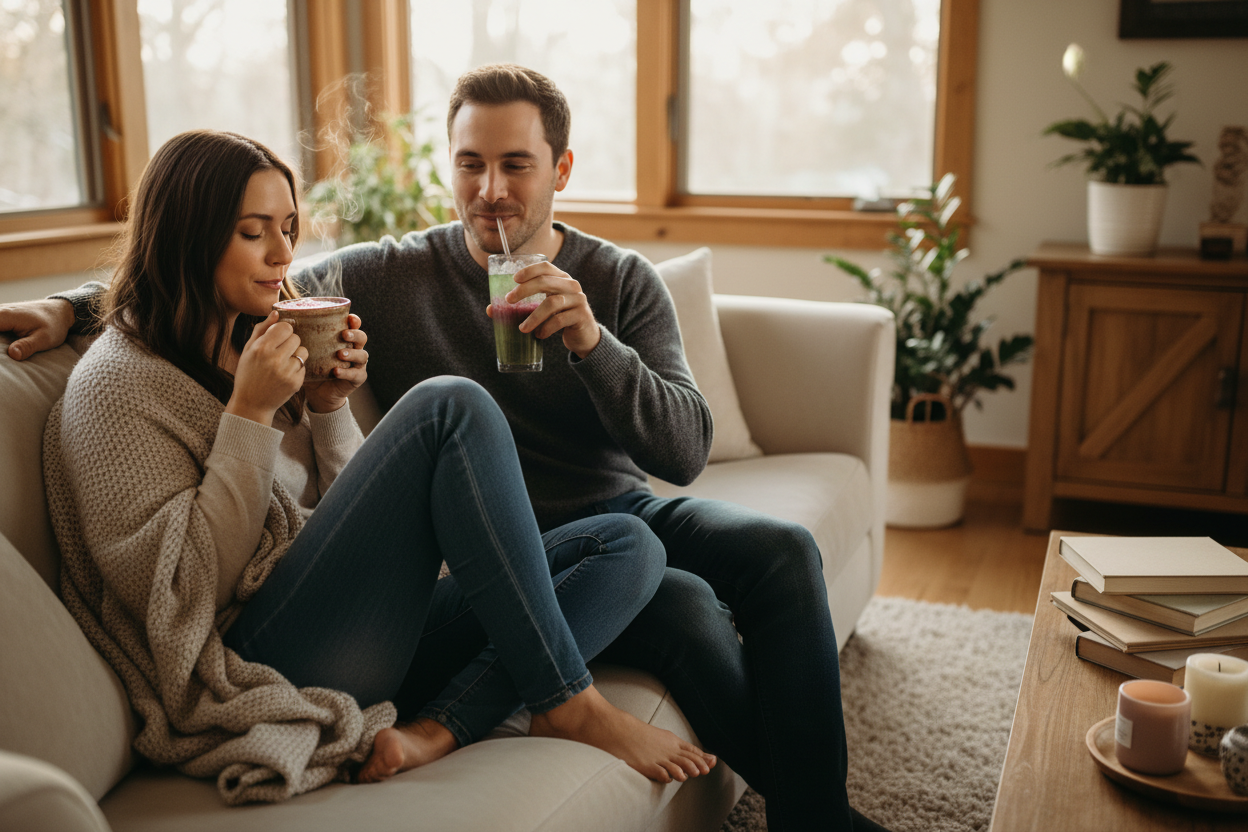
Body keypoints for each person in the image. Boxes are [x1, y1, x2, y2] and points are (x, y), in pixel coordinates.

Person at [5, 67, 886, 831]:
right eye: (471, 163)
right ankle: (565, 704)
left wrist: (591, 343)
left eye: (516, 164)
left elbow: (685, 450)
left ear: (560, 171)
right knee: (652, 578)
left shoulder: (618, 280)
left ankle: (811, 822)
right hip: (442, 551)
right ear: (450, 169)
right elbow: (194, 267)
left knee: (731, 550)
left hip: (608, 508)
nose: (491, 188)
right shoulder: (387, 276)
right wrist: (72, 309)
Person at [36, 129, 715, 806]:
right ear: (188, 236)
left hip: (358, 630)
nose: (282, 255)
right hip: (258, 655)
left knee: (627, 545)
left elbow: (354, 524)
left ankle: (443, 726)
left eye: (289, 228)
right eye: (253, 232)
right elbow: (183, 598)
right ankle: (567, 699)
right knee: (450, 407)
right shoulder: (116, 389)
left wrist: (328, 406)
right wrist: (248, 417)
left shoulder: (257, 334)